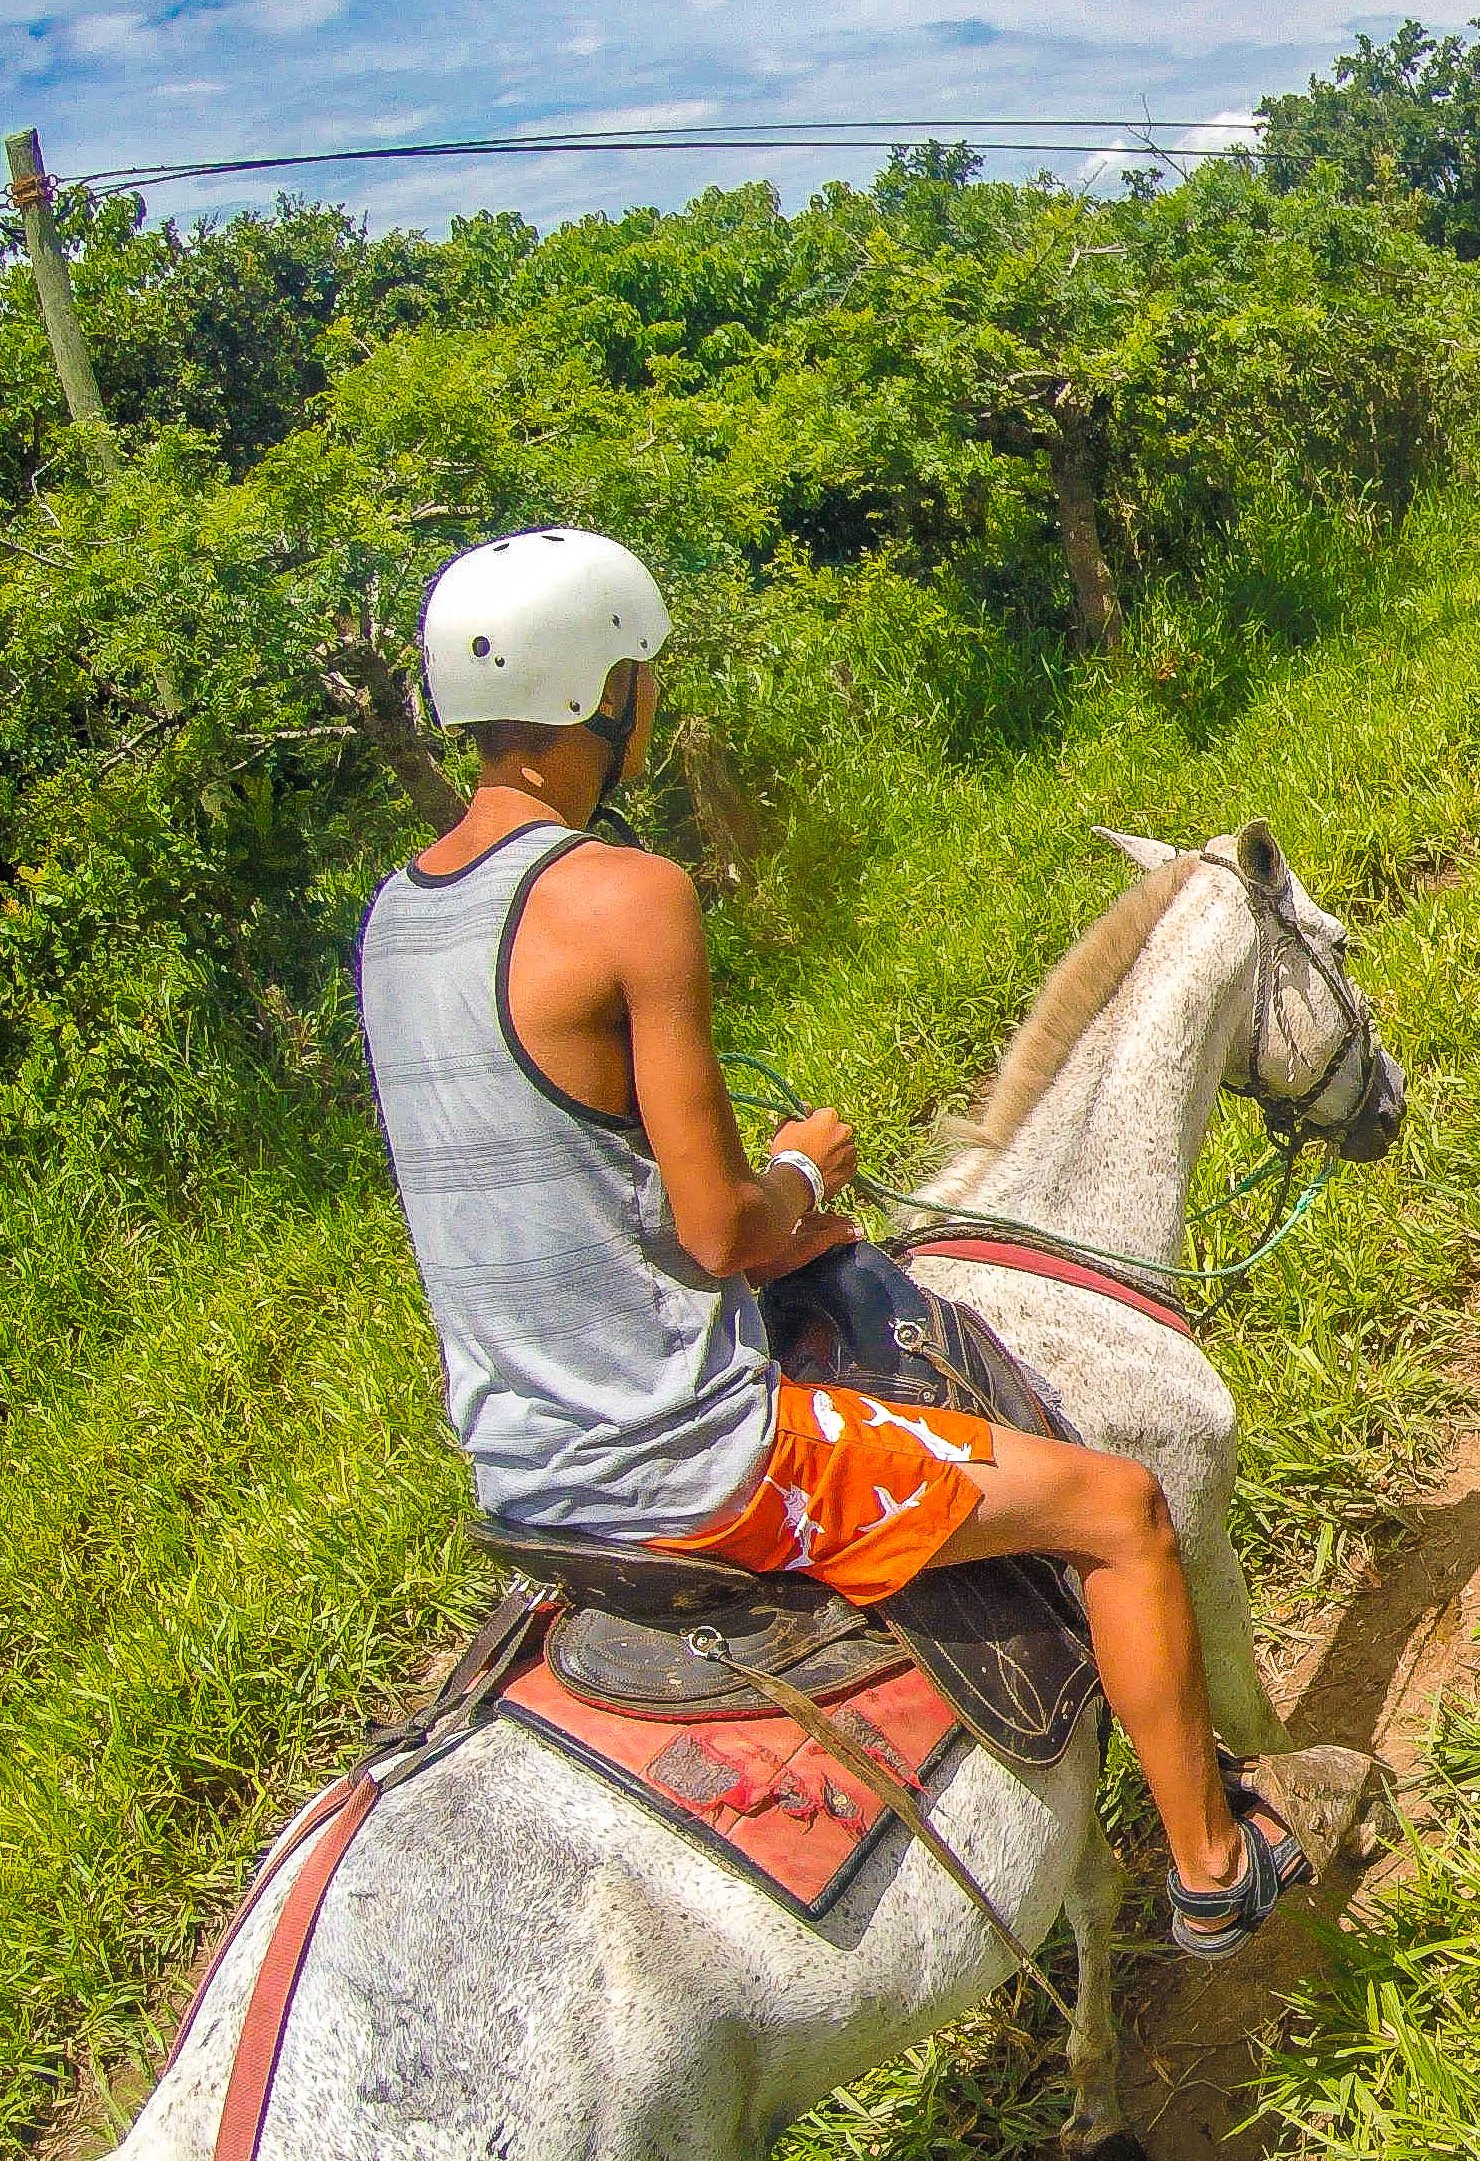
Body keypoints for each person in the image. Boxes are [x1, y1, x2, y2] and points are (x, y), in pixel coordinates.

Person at [358, 527, 1305, 1953]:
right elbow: (721, 1226)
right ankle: (1213, 1860)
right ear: (606, 692)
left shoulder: (391, 915)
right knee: (1118, 1511)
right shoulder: (624, 893)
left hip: (514, 1476)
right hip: (694, 1468)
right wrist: (801, 1168)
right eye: (644, 677)